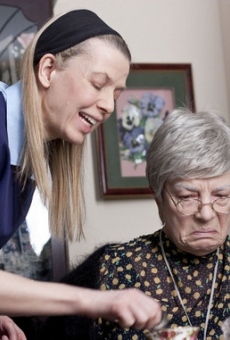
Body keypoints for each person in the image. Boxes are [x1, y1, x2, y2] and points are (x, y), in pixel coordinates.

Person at [0, 9, 162, 340]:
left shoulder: (25, 153)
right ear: (48, 70)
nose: (108, 107)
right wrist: (97, 300)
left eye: (115, 95)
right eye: (98, 84)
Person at [52, 108, 230, 340]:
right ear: (158, 198)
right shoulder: (113, 268)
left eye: (222, 196)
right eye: (187, 197)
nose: (206, 213)